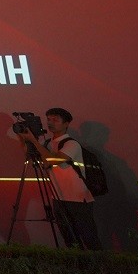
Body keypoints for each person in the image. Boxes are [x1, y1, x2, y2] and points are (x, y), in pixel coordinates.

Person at [19, 107, 103, 250]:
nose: (50, 123)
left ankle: (98, 263)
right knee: (69, 239)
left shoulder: (71, 144)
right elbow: (30, 155)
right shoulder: (47, 144)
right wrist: (22, 138)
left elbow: (54, 160)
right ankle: (76, 263)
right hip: (58, 198)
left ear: (66, 124)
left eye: (55, 120)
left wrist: (34, 141)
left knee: (89, 238)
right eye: (49, 119)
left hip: (78, 199)